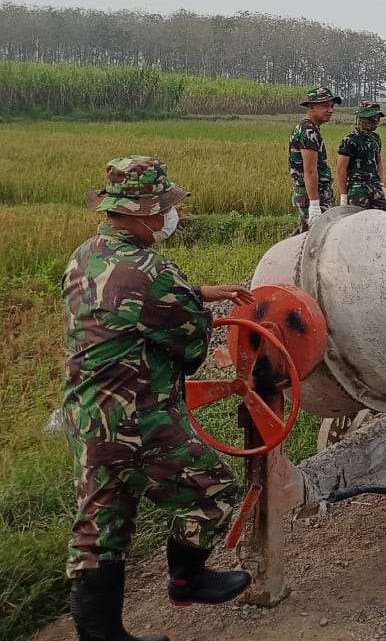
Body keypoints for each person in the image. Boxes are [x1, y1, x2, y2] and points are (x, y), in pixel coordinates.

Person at [63, 157, 258, 641]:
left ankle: (101, 636)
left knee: (100, 524)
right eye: (164, 207)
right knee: (213, 491)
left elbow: (126, 299)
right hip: (136, 418)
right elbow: (191, 347)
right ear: (142, 212)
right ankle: (186, 580)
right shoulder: (153, 269)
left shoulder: (85, 255)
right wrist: (199, 309)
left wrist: (200, 292)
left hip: (87, 415)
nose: (171, 216)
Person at [288, 85, 342, 232]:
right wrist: (314, 204)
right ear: (311, 107)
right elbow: (310, 170)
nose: (330, 110)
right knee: (317, 238)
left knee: (307, 236)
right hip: (311, 193)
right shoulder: (309, 131)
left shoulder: (308, 127)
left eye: (332, 106)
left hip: (312, 193)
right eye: (325, 106)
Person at [336, 101, 386, 210]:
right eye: (373, 117)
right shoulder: (350, 140)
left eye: (378, 117)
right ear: (364, 118)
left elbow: (378, 162)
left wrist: (381, 184)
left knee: (382, 220)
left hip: (375, 186)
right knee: (358, 221)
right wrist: (343, 195)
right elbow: (341, 169)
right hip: (357, 188)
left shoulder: (376, 138)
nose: (376, 120)